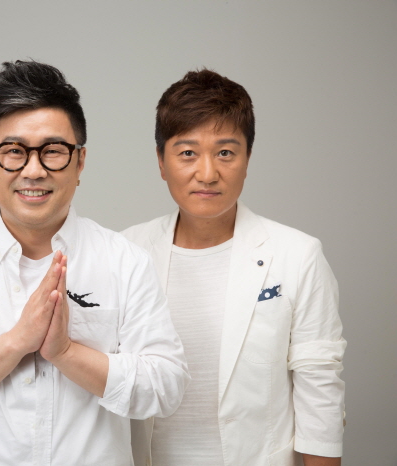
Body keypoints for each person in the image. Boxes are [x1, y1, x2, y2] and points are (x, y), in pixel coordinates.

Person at [0, 60, 190, 465]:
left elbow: (167, 387)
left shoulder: (125, 262)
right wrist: (16, 342)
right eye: (14, 152)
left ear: (80, 161)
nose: (33, 170)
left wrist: (66, 353)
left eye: (52, 151)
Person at [123, 69, 346, 466]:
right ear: (161, 161)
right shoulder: (126, 252)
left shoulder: (298, 254)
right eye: (187, 153)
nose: (207, 174)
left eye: (225, 152)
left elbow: (320, 393)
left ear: (247, 159)